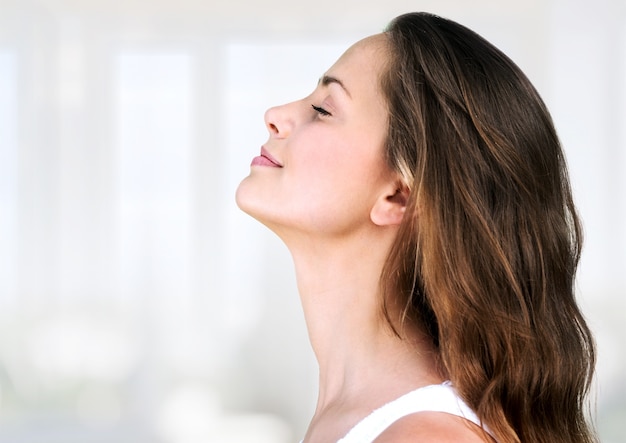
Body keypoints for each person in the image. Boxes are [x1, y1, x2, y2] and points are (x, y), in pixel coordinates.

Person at [236, 11, 597, 443]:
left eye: (323, 109)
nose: (275, 114)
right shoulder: (369, 420)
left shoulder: (425, 436)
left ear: (399, 196)